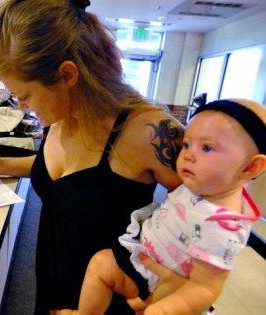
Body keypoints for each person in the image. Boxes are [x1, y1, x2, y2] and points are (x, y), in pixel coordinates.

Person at [0, 0, 186, 313]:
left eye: (24, 96)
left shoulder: (147, 131)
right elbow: (67, 181)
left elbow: (215, 215)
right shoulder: (60, 115)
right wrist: (0, 164)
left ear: (67, 74)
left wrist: (162, 297)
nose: (22, 106)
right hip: (52, 291)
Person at [76, 99, 266, 315]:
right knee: (101, 263)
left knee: (102, 265)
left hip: (158, 279)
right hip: (144, 254)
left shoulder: (223, 227)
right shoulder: (204, 185)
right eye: (187, 144)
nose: (188, 155)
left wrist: (165, 309)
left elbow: (205, 287)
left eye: (207, 148)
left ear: (251, 166)